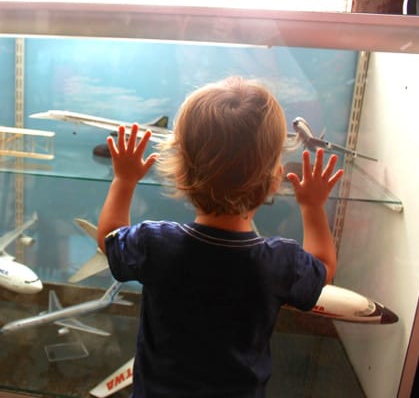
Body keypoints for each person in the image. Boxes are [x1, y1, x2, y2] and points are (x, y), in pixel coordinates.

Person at [96, 76, 344, 398]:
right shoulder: (280, 262)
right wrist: (312, 206)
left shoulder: (154, 244)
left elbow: (108, 238)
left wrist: (124, 180)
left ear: (181, 171)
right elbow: (324, 266)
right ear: (275, 180)